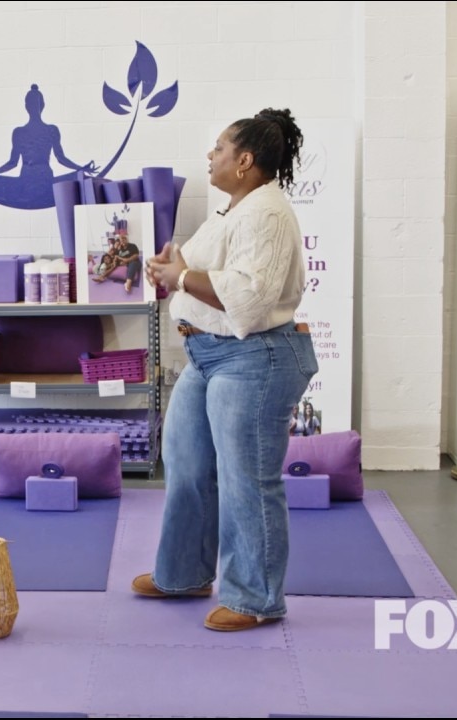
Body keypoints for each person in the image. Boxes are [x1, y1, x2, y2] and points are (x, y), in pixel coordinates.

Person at [134, 108, 318, 632]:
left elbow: (250, 298)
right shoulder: (233, 210)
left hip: (254, 357)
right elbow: (191, 269)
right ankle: (184, 574)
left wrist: (181, 275)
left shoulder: (267, 214)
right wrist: (168, 269)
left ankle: (256, 599)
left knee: (247, 480)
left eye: (219, 148)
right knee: (187, 464)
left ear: (245, 160)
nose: (210, 156)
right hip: (208, 355)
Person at [0, 84, 98, 201]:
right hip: (26, 179)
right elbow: (13, 162)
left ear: (42, 105)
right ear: (27, 106)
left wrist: (80, 169)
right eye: (31, 103)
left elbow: (61, 158)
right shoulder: (19, 132)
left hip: (45, 178)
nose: (34, 107)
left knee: (78, 178)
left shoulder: (51, 130)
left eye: (36, 103)